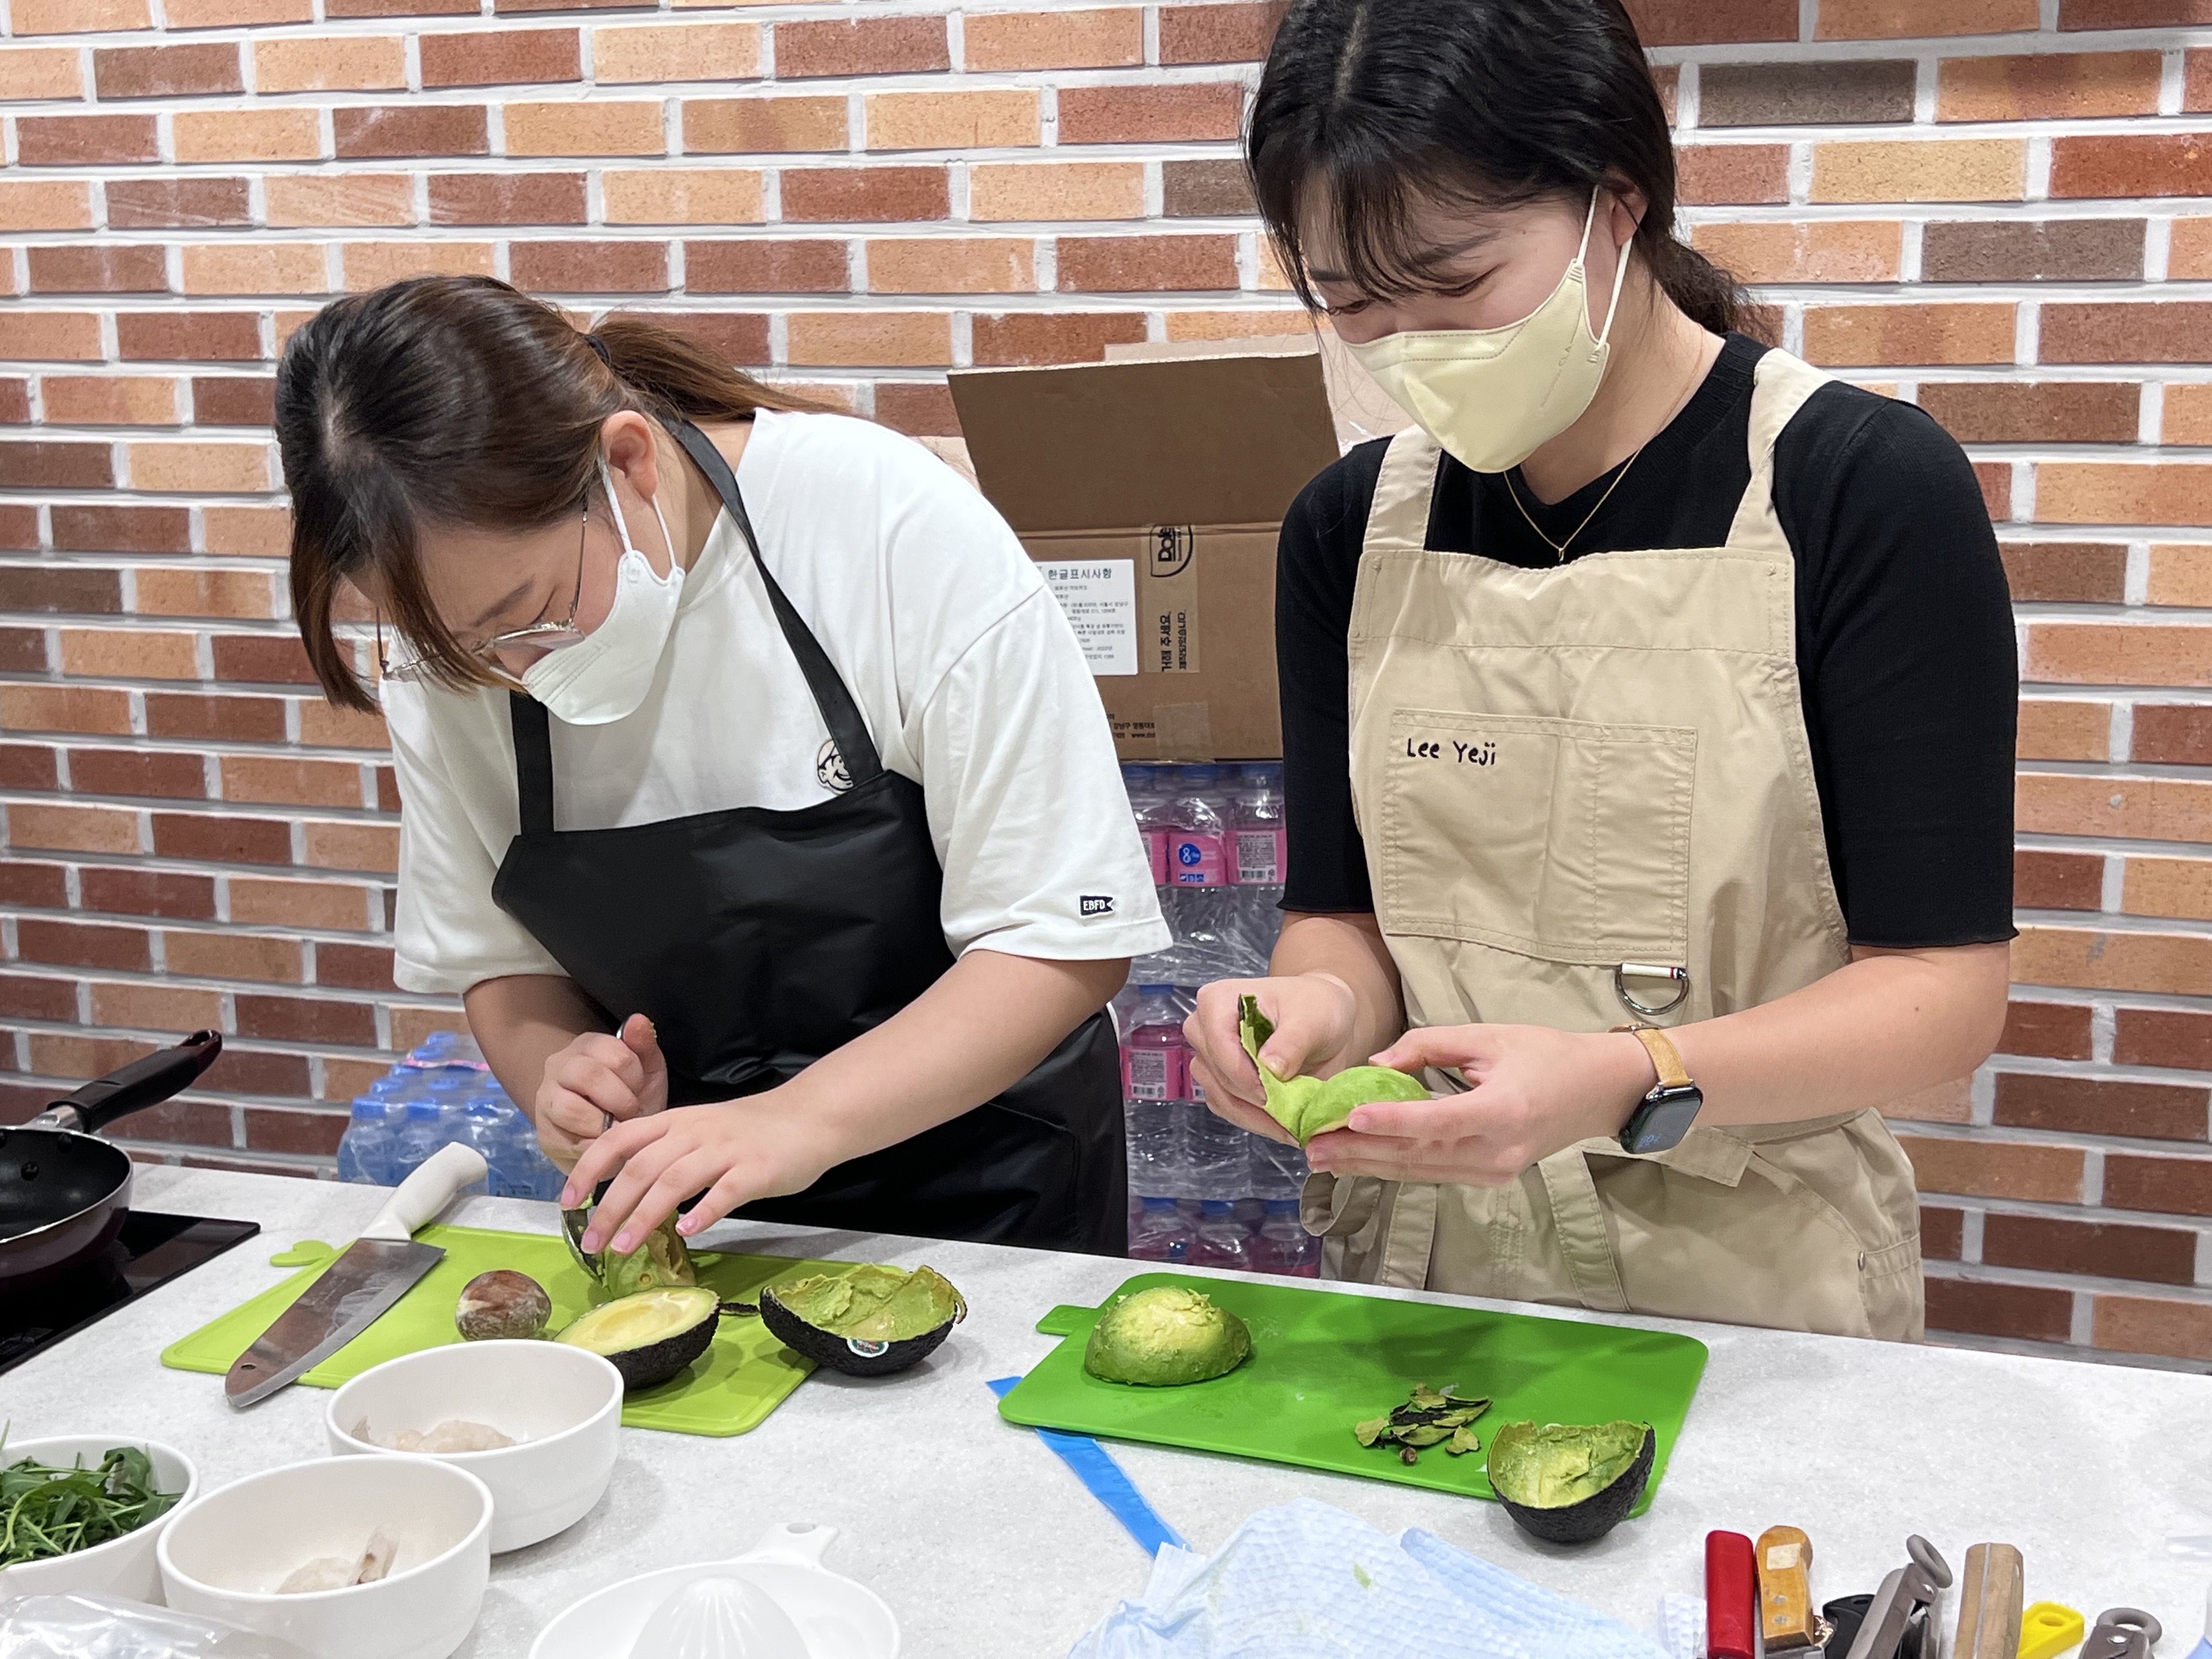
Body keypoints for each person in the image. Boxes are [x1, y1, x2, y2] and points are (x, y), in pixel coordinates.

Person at [1183, 0, 2017, 1339]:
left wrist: (1624, 1076)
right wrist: (1317, 1005)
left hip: (1751, 1290)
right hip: (1428, 1274)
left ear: (1616, 203)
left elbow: (1939, 994)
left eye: (1456, 284)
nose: (1410, 343)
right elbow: (1347, 915)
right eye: (1352, 302)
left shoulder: (1856, 490)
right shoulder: (1348, 530)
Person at [278, 276, 1166, 1257]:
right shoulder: (443, 649)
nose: (513, 670)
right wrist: (560, 1076)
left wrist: (797, 1121)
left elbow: (1058, 940)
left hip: (992, 1192)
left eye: (528, 613)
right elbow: (500, 960)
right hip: (693, 1217)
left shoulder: (879, 520)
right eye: (463, 649)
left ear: (626, 460)